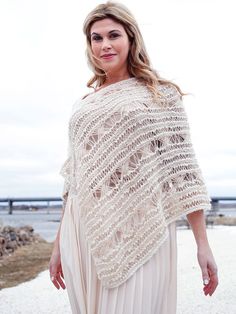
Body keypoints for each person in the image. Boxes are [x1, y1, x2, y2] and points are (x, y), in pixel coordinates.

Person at [49, 1, 218, 313]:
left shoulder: (159, 95)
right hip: (82, 229)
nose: (105, 45)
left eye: (113, 35)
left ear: (131, 38)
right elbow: (75, 181)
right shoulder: (84, 104)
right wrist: (58, 244)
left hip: (141, 225)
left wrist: (202, 244)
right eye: (96, 38)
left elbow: (183, 174)